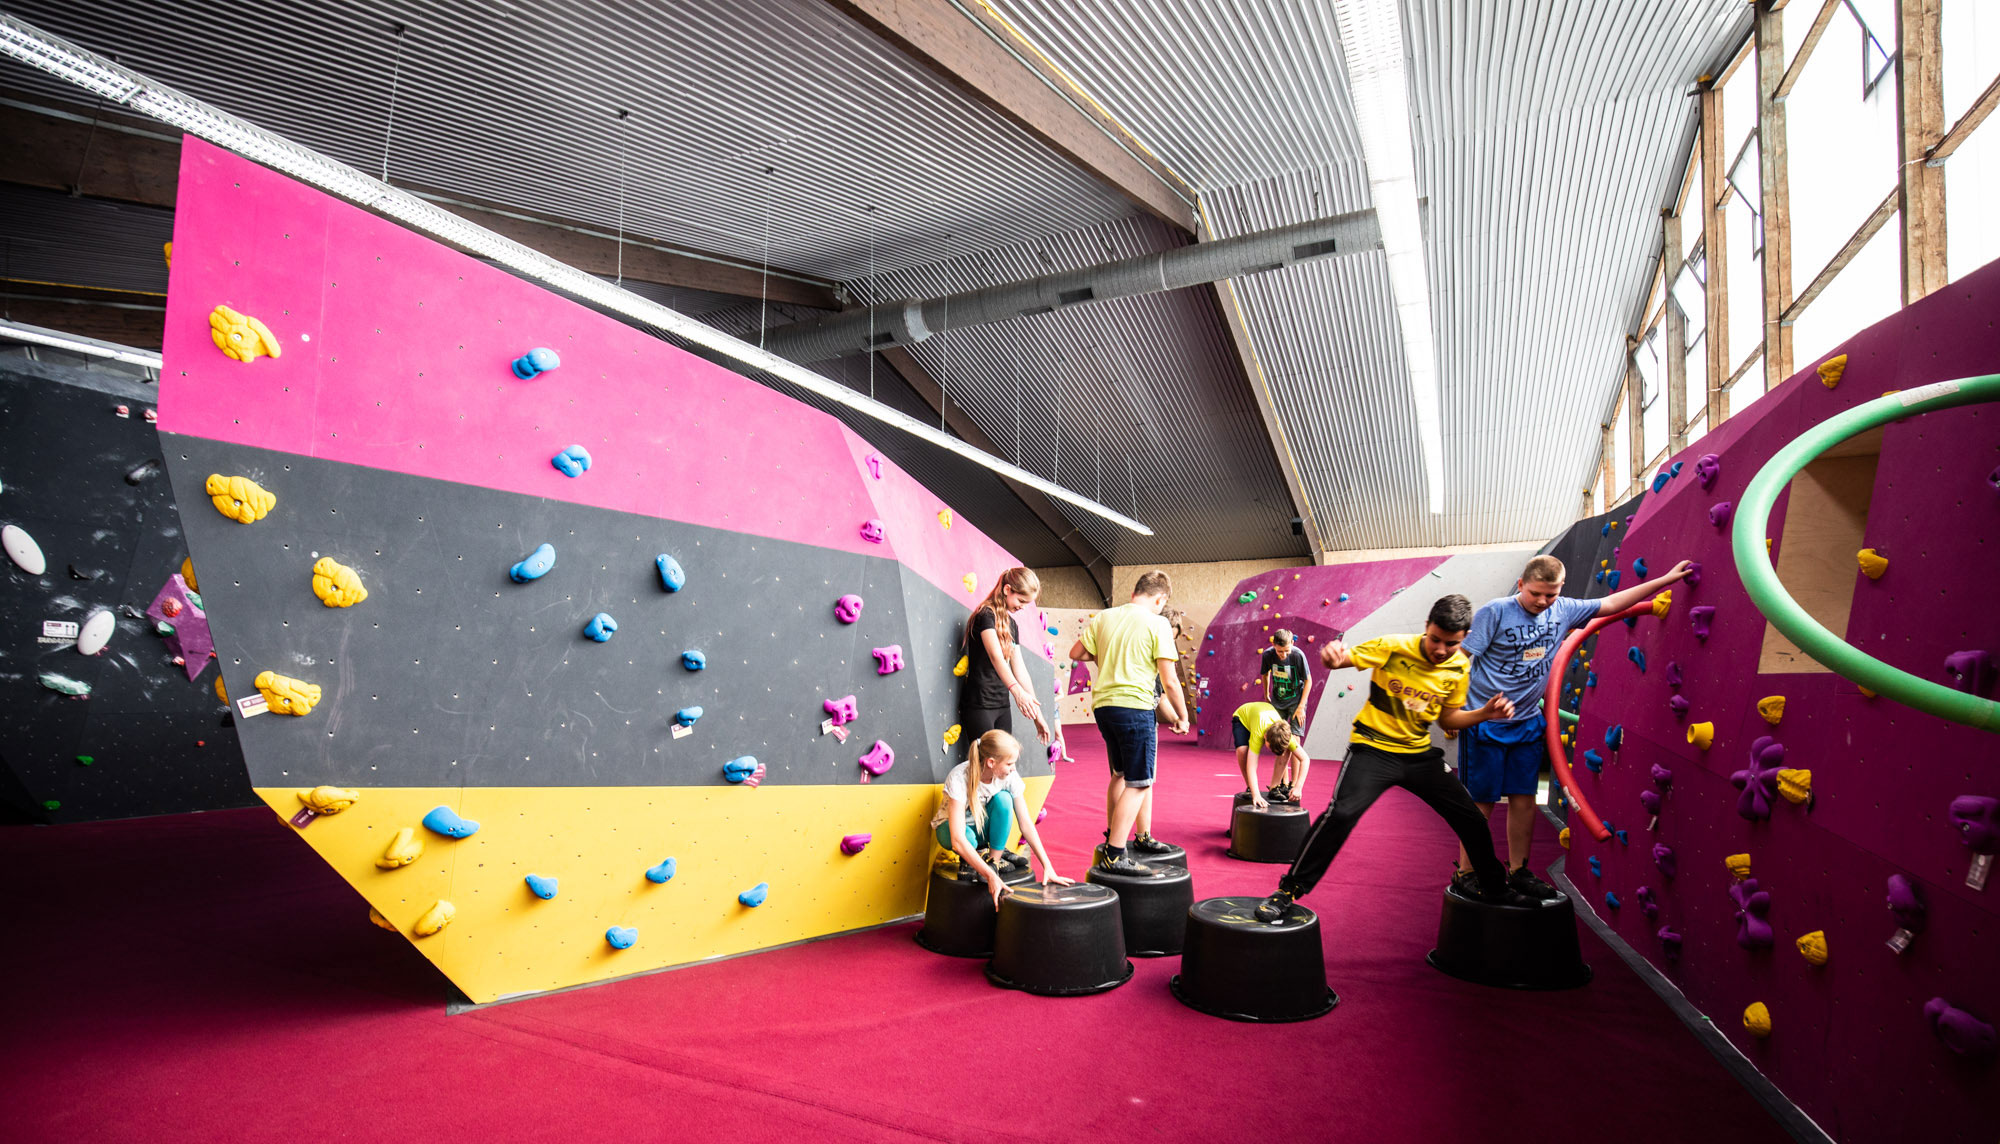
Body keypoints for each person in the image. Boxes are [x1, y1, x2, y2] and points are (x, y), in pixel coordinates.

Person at [1254, 595, 1531, 922]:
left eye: (1452, 643)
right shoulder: (1395, 646)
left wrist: (1484, 712)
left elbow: (1448, 720)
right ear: (1426, 627)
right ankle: (1288, 890)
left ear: (1465, 638)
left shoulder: (1459, 668)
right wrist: (1331, 657)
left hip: (1418, 756)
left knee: (1471, 818)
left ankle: (1496, 887)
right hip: (1372, 748)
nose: (1441, 649)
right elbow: (1343, 660)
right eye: (1435, 639)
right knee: (1341, 813)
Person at [1452, 555, 1694, 900]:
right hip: (1485, 722)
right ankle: (1467, 872)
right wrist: (1452, 708)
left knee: (1524, 800)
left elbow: (1611, 603)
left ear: (1560, 590)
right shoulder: (1496, 611)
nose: (1542, 601)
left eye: (1550, 595)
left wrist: (1665, 578)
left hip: (1527, 723)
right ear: (1521, 585)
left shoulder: (1563, 609)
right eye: (1536, 593)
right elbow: (1460, 657)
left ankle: (1519, 870)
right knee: (1482, 802)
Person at [1071, 570, 1187, 876]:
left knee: (1121, 774)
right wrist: (1183, 716)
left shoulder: (1104, 617)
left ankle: (1118, 834)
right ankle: (1115, 853)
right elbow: (1170, 680)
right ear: (1160, 598)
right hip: (1135, 708)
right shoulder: (1158, 622)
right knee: (1140, 781)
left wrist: (1108, 661)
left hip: (1104, 707)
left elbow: (1077, 652)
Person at [933, 729, 1071, 909]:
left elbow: (1026, 824)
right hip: (952, 831)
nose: (1014, 768)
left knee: (1004, 799)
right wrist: (990, 878)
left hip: (981, 827)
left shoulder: (1009, 776)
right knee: (968, 837)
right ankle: (974, 860)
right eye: (1009, 763)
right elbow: (958, 840)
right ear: (991, 762)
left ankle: (994, 860)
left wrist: (1047, 866)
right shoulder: (960, 777)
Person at [960, 568, 1053, 750]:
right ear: (1007, 589)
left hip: (1002, 705)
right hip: (980, 704)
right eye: (1021, 600)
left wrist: (1037, 715)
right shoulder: (985, 616)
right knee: (986, 766)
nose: (1022, 606)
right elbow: (995, 657)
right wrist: (1017, 692)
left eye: (1027, 603)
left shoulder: (1012, 625)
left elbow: (1020, 670)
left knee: (1004, 765)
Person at [1232, 700, 1309, 808]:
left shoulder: (1287, 735)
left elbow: (1305, 759)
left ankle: (1274, 787)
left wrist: (1298, 787)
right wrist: (1256, 795)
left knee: (1286, 750)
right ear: (1265, 738)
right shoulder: (1259, 734)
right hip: (1243, 717)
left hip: (1263, 713)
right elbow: (1252, 766)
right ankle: (1250, 787)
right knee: (1242, 751)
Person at [1257, 628, 1313, 736]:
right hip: (1278, 699)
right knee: (1276, 735)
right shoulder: (1267, 655)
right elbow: (1265, 674)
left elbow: (1308, 680)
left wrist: (1301, 707)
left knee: (1295, 735)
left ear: (1292, 643)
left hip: (1296, 700)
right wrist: (1266, 695)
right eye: (1280, 651)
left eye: (1287, 651)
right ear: (1273, 644)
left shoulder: (1298, 655)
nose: (1283, 655)